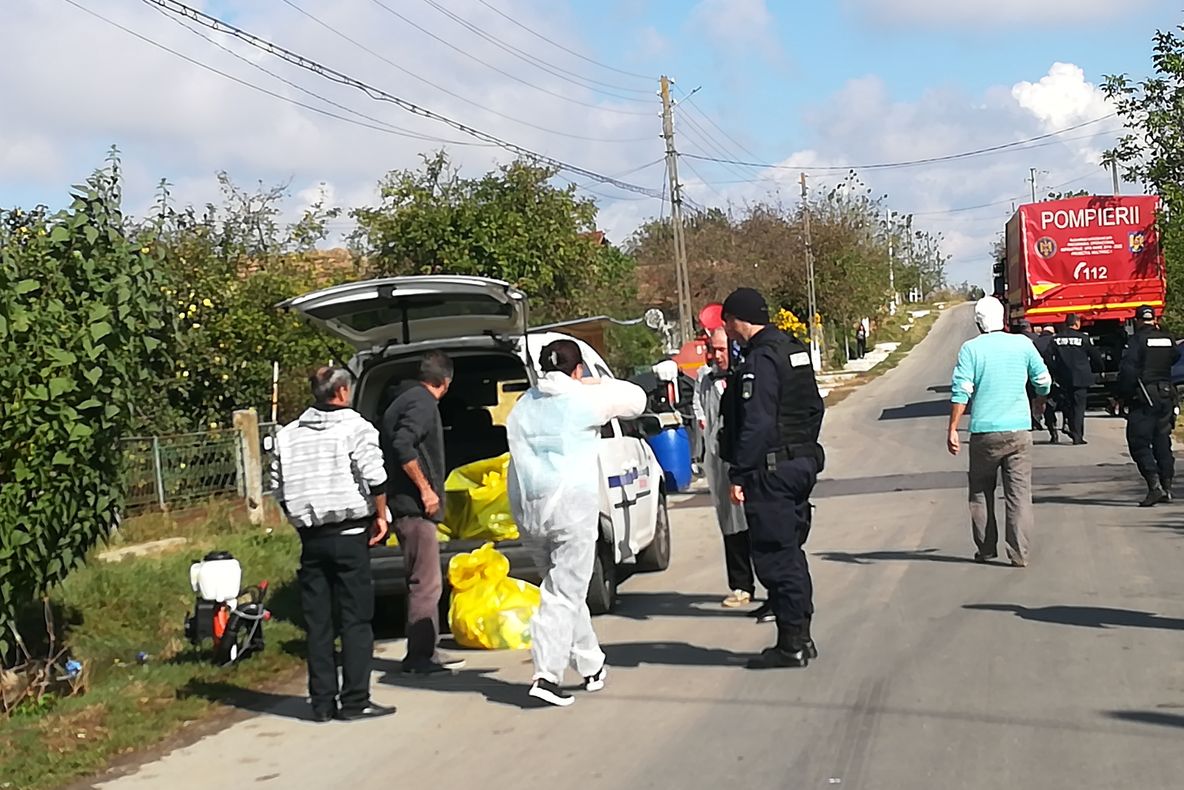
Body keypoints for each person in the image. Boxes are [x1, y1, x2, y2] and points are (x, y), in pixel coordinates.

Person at [507, 339, 647, 707]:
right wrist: (592, 384)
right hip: (571, 513)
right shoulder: (584, 400)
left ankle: (591, 664)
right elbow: (636, 400)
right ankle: (547, 675)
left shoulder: (522, 406)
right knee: (562, 593)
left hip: (530, 513)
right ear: (578, 368)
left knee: (565, 589)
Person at [273, 367, 395, 722]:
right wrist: (382, 516)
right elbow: (375, 476)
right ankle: (355, 700)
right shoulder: (356, 428)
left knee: (319, 622)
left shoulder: (287, 435)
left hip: (311, 538)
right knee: (356, 620)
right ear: (341, 392)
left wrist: (300, 522)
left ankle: (321, 702)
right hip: (349, 533)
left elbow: (279, 488)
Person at [719, 288, 825, 670]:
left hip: (772, 471)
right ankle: (802, 637)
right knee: (791, 554)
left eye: (727, 324)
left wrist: (740, 473)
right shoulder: (792, 350)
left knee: (777, 557)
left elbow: (757, 422)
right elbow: (815, 407)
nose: (727, 332)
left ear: (736, 319)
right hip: (799, 464)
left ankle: (791, 644)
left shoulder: (760, 359)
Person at [947, 297, 1052, 567]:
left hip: (984, 433)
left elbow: (962, 390)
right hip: (1019, 430)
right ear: (1004, 319)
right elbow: (1043, 380)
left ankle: (986, 548)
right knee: (1019, 495)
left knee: (981, 491)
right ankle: (1019, 554)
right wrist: (1040, 399)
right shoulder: (1022, 344)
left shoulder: (970, 349)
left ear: (978, 323)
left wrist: (953, 428)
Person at [381, 351, 465, 676]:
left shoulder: (402, 399)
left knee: (423, 581)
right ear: (444, 382)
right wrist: (426, 489)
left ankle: (427, 649)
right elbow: (404, 445)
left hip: (403, 506)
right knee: (426, 584)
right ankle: (418, 658)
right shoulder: (422, 404)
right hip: (413, 509)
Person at [694, 328, 754, 609]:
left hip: (745, 459)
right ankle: (741, 585)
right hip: (719, 461)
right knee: (730, 524)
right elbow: (699, 411)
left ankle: (772, 586)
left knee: (756, 521)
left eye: (721, 349)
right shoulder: (704, 379)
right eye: (712, 349)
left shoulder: (747, 376)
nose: (716, 355)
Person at [1118, 305, 1180, 507]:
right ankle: (1167, 487)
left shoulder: (1136, 340)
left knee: (1138, 442)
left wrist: (1121, 396)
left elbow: (1128, 371)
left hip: (1144, 396)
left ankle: (1154, 487)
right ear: (1154, 319)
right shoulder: (1167, 338)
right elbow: (1175, 357)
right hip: (1166, 394)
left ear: (1136, 321)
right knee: (1162, 440)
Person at [1050, 314, 1102, 445]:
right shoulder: (1083, 338)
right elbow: (1095, 355)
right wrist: (1099, 369)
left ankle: (1068, 424)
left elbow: (1047, 356)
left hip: (1063, 377)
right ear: (1077, 323)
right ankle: (1077, 435)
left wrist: (1055, 370)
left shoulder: (1056, 339)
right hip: (1081, 377)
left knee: (1067, 404)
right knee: (1079, 407)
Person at [1033, 325, 1060, 442]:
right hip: (1055, 377)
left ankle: (1052, 429)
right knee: (1056, 403)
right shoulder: (1055, 341)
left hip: (1039, 378)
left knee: (1044, 403)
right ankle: (1063, 424)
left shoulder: (1035, 343)